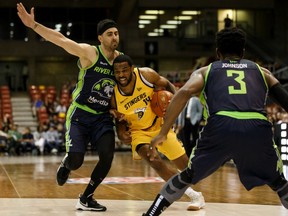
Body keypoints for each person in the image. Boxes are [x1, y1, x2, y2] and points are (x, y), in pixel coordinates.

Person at [142, 27, 288, 215]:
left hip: (221, 126)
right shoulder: (263, 72)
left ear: (218, 53)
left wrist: (163, 132)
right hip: (256, 128)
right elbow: (285, 100)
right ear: (243, 52)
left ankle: (151, 214)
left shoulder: (205, 71)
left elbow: (184, 93)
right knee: (278, 181)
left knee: (187, 177)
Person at [17, 2, 122, 211]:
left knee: (108, 156)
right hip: (80, 114)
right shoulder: (90, 53)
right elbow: (61, 40)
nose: (114, 37)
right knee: (76, 160)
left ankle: (86, 198)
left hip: (102, 117)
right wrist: (34, 26)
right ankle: (67, 164)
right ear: (100, 38)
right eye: (109, 34)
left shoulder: (121, 61)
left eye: (117, 33)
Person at [110, 55, 205, 210]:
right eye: (117, 71)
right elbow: (119, 120)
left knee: (187, 167)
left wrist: (173, 108)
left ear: (132, 69)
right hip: (138, 133)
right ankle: (194, 195)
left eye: (125, 70)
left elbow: (167, 84)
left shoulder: (146, 75)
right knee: (156, 162)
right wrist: (121, 133)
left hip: (160, 128)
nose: (121, 75)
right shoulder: (114, 96)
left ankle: (192, 189)